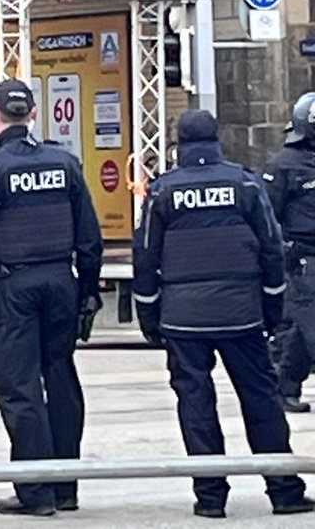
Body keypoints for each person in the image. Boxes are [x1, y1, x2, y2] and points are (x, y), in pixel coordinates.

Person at [135, 109, 313, 519]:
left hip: (182, 317)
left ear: (179, 143)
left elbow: (145, 257)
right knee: (261, 398)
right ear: (217, 140)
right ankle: (283, 489)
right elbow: (271, 247)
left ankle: (210, 496)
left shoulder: (163, 192)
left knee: (195, 403)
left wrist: (149, 316)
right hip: (242, 313)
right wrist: (272, 309)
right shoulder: (244, 184)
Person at [0, 79, 103, 517]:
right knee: (60, 380)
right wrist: (88, 291)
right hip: (60, 279)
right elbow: (89, 237)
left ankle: (36, 491)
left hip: (12, 287)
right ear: (34, 114)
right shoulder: (65, 163)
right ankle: (65, 487)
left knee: (19, 387)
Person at [262, 90, 315, 414]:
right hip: (304, 258)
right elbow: (268, 214)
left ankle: (285, 386)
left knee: (300, 330)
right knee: (310, 326)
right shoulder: (284, 164)